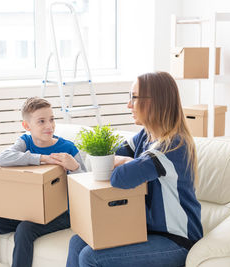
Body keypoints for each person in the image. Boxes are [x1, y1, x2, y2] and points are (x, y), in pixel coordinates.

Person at [66, 71, 203, 267]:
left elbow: (120, 178)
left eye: (133, 97)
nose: (128, 105)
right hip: (145, 231)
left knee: (91, 257)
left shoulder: (173, 146)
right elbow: (106, 157)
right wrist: (125, 161)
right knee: (78, 242)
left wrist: (123, 164)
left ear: (155, 101)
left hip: (176, 241)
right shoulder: (144, 137)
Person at [0, 97, 87, 267]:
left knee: (25, 229)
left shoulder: (68, 148)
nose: (49, 126)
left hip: (61, 213)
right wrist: (42, 158)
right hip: (27, 210)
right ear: (27, 126)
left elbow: (85, 186)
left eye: (51, 119)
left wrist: (75, 167)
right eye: (41, 121)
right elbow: (3, 158)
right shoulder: (25, 142)